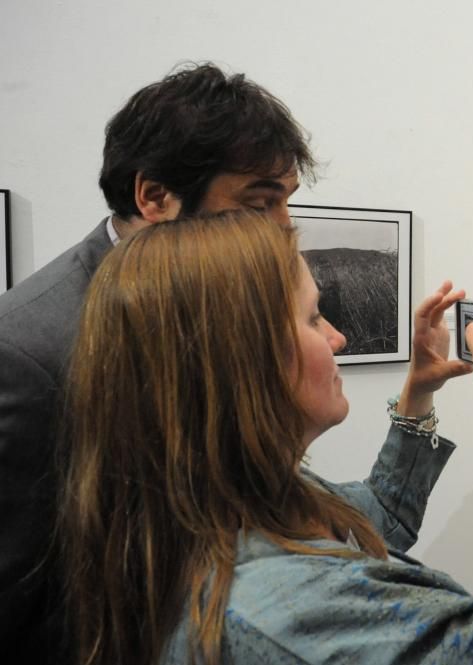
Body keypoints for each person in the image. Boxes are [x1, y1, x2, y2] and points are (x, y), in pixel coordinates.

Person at [59, 210, 473, 665]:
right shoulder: (292, 613)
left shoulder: (199, 502)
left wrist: (418, 393)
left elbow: (374, 521)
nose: (336, 338)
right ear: (242, 360)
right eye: (313, 318)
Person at [0, 62, 317, 660]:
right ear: (153, 196)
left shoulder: (200, 301)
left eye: (285, 202)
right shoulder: (25, 353)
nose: (282, 228)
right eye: (258, 202)